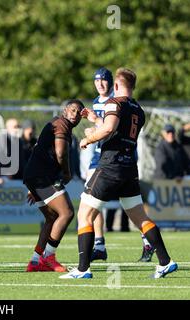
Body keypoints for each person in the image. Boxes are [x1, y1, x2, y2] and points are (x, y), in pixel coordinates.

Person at [61, 68, 178, 279]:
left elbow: (108, 130)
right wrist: (97, 121)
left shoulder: (114, 103)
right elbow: (117, 130)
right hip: (128, 167)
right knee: (140, 217)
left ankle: (82, 269)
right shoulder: (138, 110)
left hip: (110, 165)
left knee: (84, 215)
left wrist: (89, 138)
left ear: (116, 86)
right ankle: (165, 261)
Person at [24, 99, 85, 272]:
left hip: (34, 176)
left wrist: (32, 186)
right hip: (42, 177)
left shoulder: (57, 123)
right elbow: (60, 152)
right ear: (65, 111)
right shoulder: (61, 124)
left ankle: (35, 261)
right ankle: (49, 257)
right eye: (73, 110)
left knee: (52, 217)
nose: (76, 114)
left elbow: (40, 149)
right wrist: (67, 172)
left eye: (79, 112)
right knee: (67, 213)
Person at [85, 68, 131, 265]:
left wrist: (94, 124)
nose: (100, 84)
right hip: (98, 156)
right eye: (97, 81)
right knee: (93, 203)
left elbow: (110, 127)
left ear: (112, 83)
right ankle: (99, 244)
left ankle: (147, 241)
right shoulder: (96, 101)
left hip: (114, 158)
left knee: (127, 203)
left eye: (104, 81)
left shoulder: (116, 100)